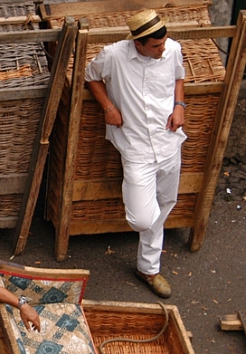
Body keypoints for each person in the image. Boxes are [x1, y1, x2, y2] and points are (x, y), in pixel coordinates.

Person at [84, 9, 186, 298]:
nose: (162, 49)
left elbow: (179, 77)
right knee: (142, 218)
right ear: (138, 43)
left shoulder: (173, 50)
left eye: (163, 43)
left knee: (166, 200)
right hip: (136, 147)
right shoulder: (114, 55)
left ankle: (148, 268)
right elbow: (91, 76)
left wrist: (180, 106)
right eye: (155, 46)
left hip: (169, 142)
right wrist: (108, 106)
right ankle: (149, 257)